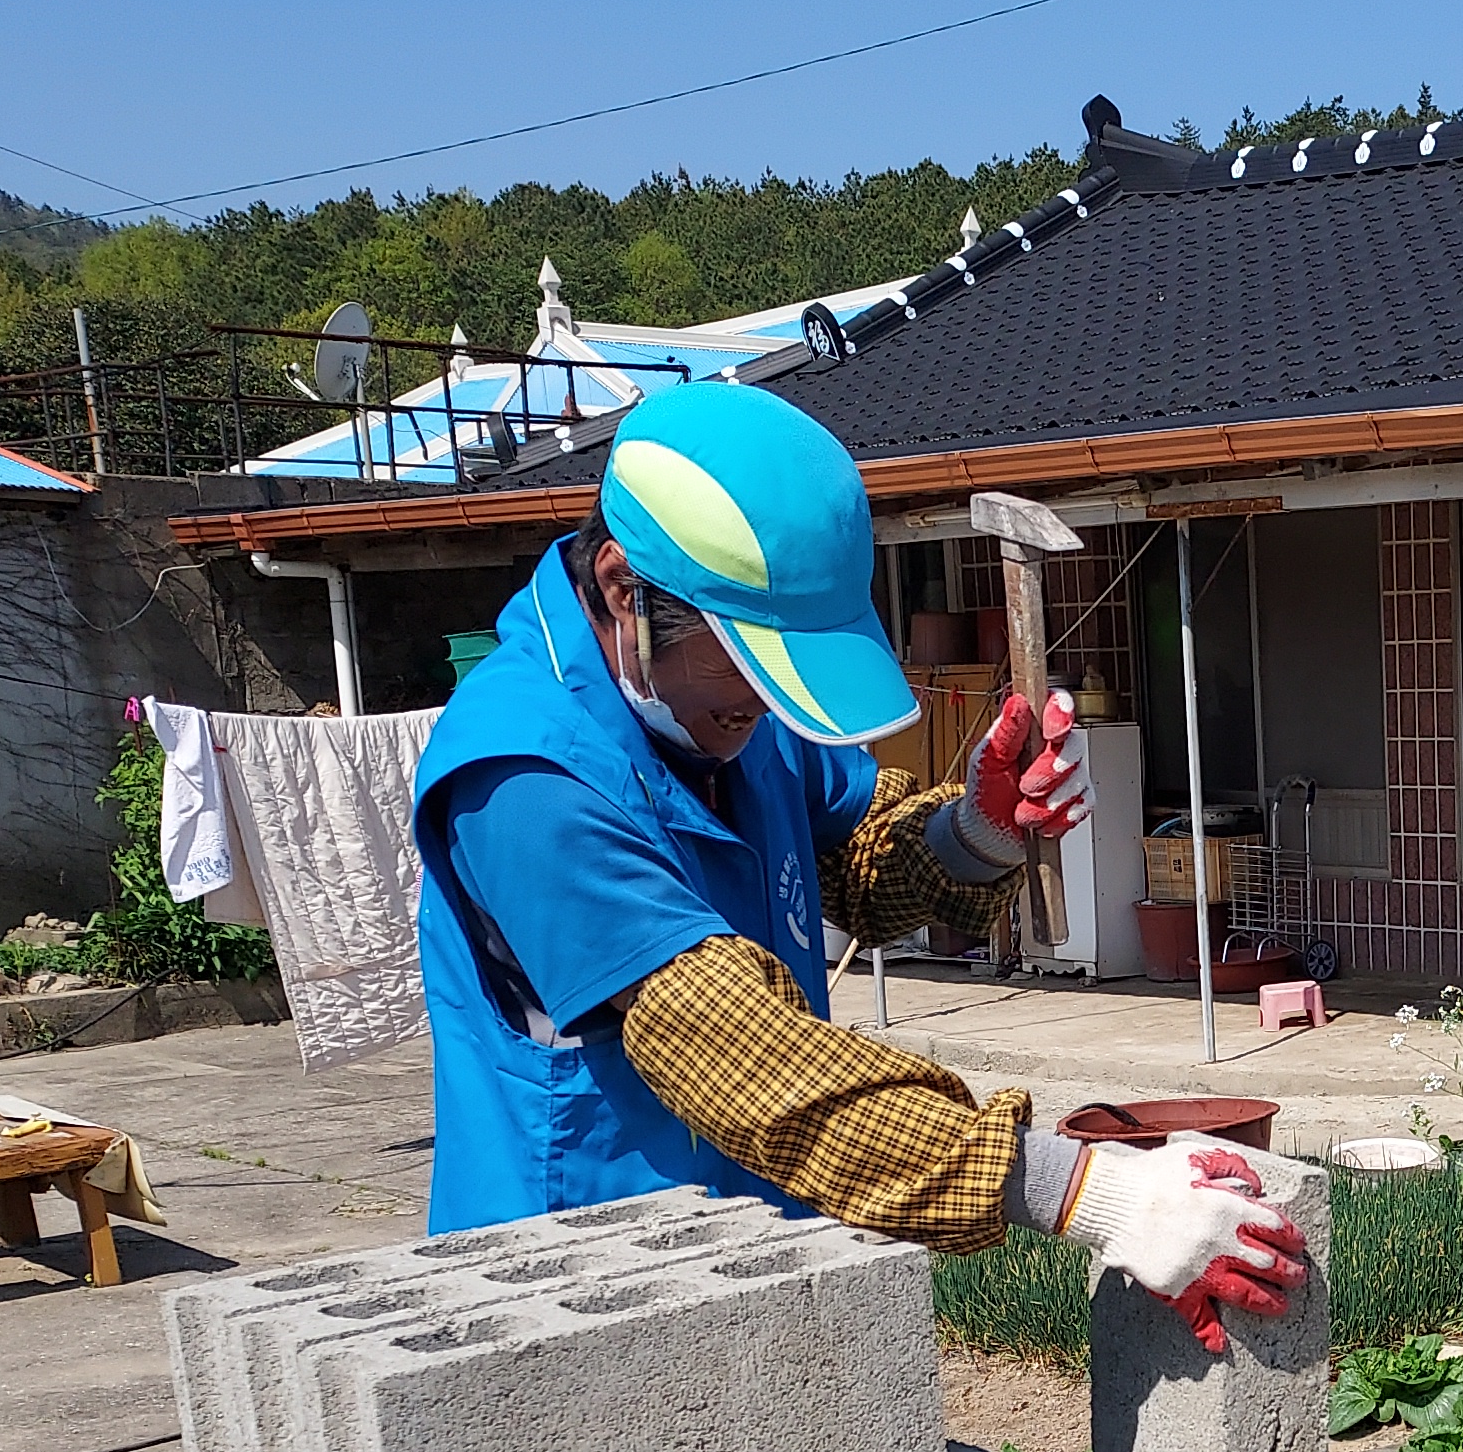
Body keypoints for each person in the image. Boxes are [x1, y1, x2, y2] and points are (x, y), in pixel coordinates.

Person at [410, 383, 1302, 1351]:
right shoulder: (522, 779)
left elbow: (853, 860)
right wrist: (1086, 1191)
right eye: (744, 672)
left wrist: (977, 830)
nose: (761, 710)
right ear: (626, 590)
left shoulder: (732, 711)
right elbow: (735, 1050)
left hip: (757, 1242)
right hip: (581, 1285)